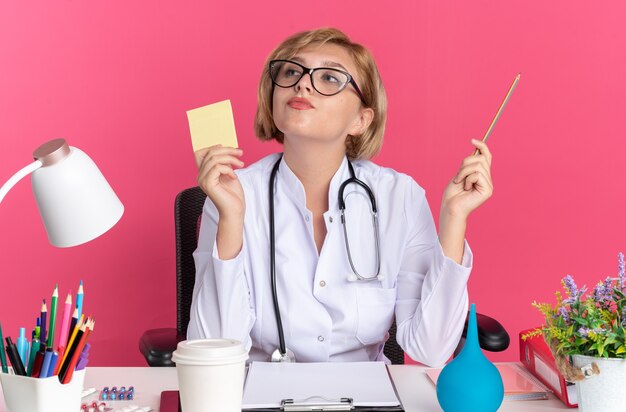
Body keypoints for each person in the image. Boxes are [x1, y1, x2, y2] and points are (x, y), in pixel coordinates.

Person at [187, 27, 493, 367]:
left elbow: (430, 349)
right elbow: (210, 353)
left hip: (366, 397)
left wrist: (454, 219)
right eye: (291, 71)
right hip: (262, 396)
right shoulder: (231, 193)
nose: (302, 84)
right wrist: (230, 219)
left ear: (361, 120)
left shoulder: (399, 197)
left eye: (330, 77)